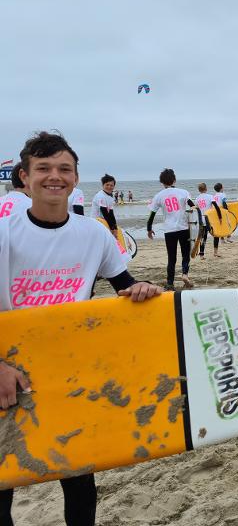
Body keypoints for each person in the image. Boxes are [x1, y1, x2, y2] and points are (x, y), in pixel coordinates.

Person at [0, 131, 161, 526]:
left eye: (64, 169)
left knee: (78, 476)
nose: (54, 176)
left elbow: (124, 284)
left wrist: (140, 289)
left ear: (75, 178)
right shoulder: (5, 233)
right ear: (24, 178)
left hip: (70, 368)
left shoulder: (92, 234)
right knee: (3, 481)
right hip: (8, 367)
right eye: (43, 168)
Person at [146, 169, 195, 290]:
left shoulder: (159, 196)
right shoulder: (183, 192)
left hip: (169, 230)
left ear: (162, 182)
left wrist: (149, 229)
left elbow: (152, 214)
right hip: (183, 228)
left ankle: (170, 283)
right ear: (174, 180)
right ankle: (184, 274)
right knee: (185, 254)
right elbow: (192, 205)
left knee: (171, 258)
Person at [90, 174, 119, 239]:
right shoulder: (100, 196)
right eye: (107, 185)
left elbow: (111, 213)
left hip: (104, 222)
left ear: (114, 186)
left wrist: (115, 227)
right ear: (103, 185)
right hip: (96, 223)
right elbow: (105, 213)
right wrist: (112, 228)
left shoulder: (110, 196)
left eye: (111, 185)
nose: (109, 187)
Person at [195, 182, 218, 258]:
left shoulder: (197, 199)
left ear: (199, 190)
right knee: (216, 235)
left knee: (203, 238)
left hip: (202, 220)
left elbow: (198, 211)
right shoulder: (210, 196)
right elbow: (216, 207)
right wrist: (220, 216)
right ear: (206, 189)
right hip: (210, 220)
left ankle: (201, 254)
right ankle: (215, 252)